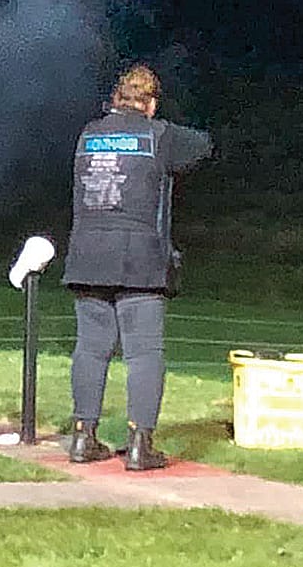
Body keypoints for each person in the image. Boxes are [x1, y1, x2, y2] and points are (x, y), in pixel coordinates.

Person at [61, 63, 211, 471]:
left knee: (91, 348)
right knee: (144, 352)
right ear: (151, 103)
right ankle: (141, 446)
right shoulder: (159, 135)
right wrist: (159, 122)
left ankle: (82, 437)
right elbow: (203, 146)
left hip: (87, 253)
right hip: (139, 257)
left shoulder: (88, 134)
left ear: (113, 99)